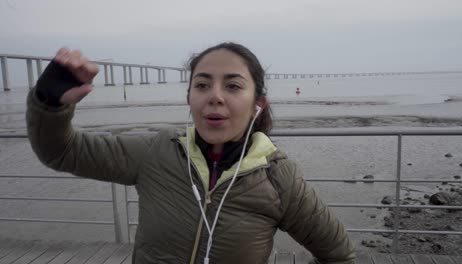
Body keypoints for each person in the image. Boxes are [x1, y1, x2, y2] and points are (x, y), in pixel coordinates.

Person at [26, 42, 355, 264]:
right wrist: (48, 102)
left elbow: (339, 255)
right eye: (202, 85)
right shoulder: (156, 152)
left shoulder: (278, 178)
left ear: (258, 104)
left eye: (233, 85)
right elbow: (61, 151)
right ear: (189, 98)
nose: (215, 96)